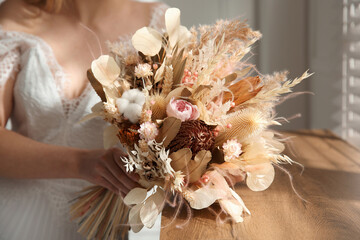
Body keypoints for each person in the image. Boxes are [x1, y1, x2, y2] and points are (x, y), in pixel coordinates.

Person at [0, 0, 168, 239]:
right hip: (15, 219)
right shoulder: (19, 12)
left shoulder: (161, 27)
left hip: (102, 225)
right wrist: (81, 163)